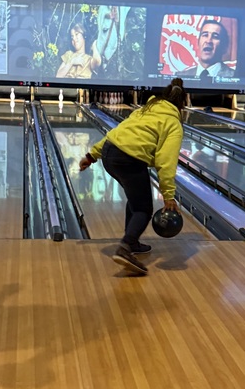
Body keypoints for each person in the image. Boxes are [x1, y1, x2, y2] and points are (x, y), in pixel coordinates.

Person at [79, 78, 186, 276]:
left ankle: (133, 241)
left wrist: (92, 155)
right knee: (144, 208)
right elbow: (166, 161)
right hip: (129, 159)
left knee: (135, 198)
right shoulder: (173, 123)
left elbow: (117, 133)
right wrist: (169, 196)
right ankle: (125, 248)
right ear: (181, 105)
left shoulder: (144, 110)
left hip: (110, 153)